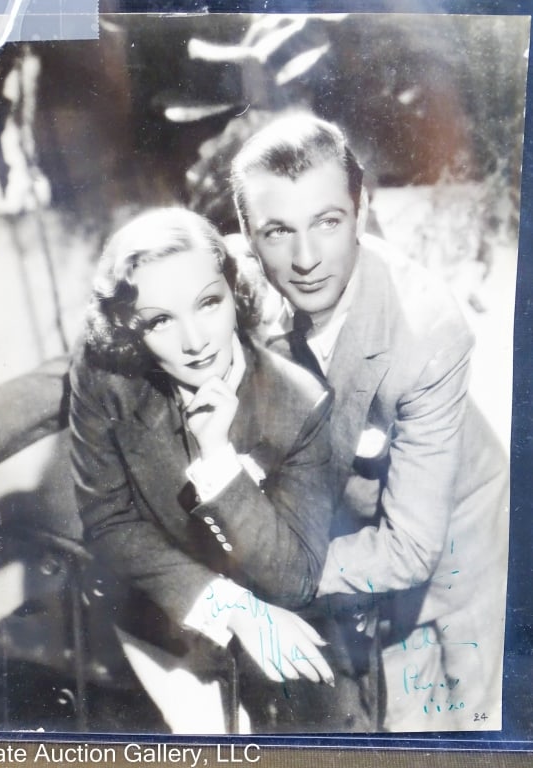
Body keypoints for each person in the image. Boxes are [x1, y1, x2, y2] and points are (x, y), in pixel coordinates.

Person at [231, 113, 509, 731]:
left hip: (456, 534)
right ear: (248, 236)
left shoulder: (427, 330)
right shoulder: (240, 287)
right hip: (359, 535)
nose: (305, 259)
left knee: (471, 720)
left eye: (327, 222)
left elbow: (411, 548)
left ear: (361, 209)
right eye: (278, 231)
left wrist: (267, 566)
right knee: (397, 723)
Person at [69, 207, 378, 733]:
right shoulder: (104, 377)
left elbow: (293, 578)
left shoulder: (300, 403)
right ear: (130, 328)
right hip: (158, 615)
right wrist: (231, 607)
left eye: (208, 303)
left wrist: (218, 461)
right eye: (159, 320)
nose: (194, 341)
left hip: (282, 612)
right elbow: (108, 523)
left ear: (234, 294)